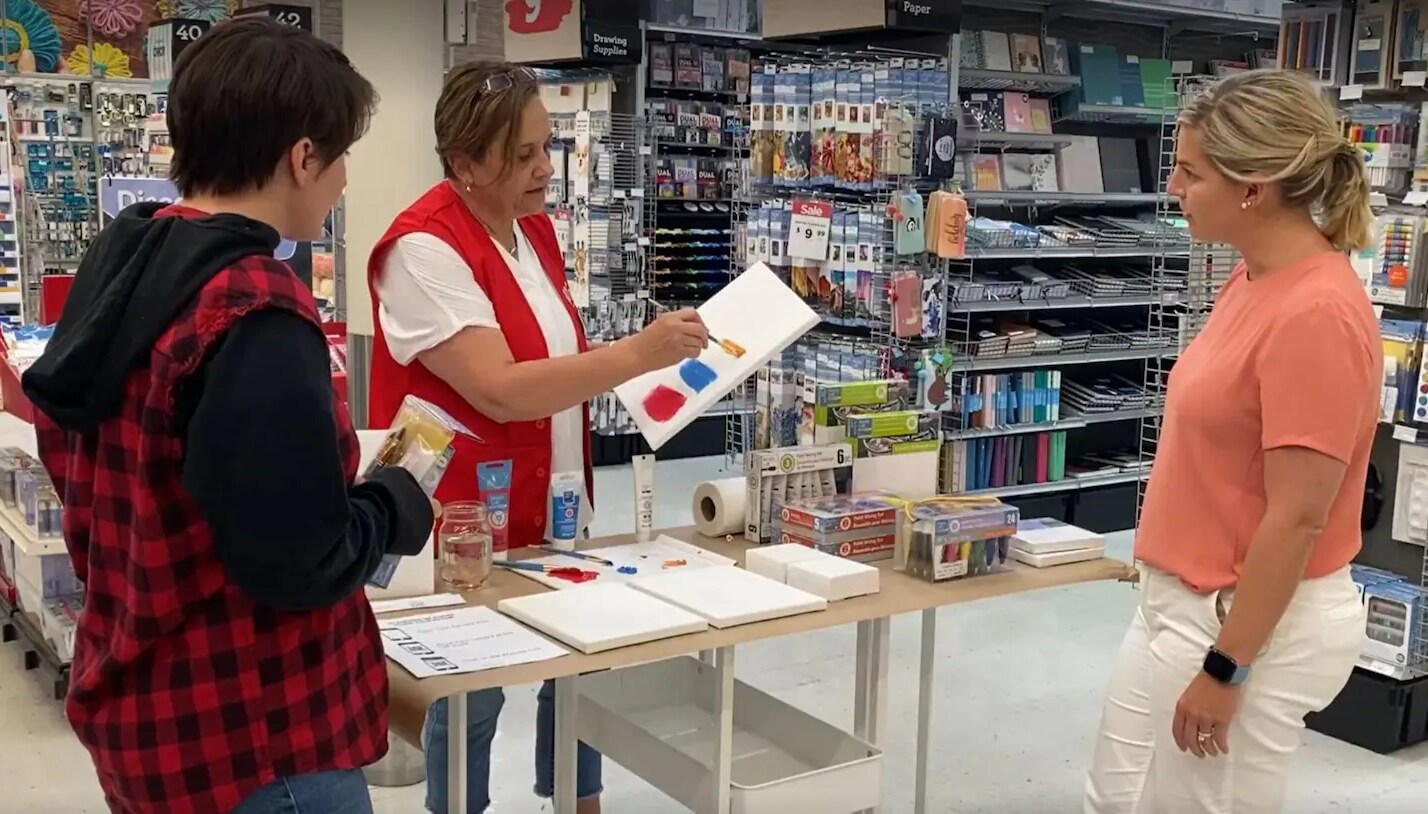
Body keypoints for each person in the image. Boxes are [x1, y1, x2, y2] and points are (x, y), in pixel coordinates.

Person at [20, 18, 436, 814]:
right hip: (256, 738)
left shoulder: (127, 263)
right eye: (341, 155)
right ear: (301, 156)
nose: (345, 179)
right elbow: (298, 560)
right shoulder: (253, 311)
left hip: (147, 710)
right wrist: (393, 505)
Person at [367, 61, 708, 813]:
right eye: (520, 155)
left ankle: (577, 801)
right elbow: (500, 388)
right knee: (472, 699)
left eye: (545, 148)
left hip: (552, 502)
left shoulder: (534, 234)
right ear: (463, 162)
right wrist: (638, 355)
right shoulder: (420, 249)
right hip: (465, 518)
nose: (542, 169)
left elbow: (558, 365)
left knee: (578, 665)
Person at [1083, 69, 1380, 814]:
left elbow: (1299, 516)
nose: (1175, 189)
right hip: (1174, 598)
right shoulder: (1251, 280)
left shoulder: (1317, 313)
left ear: (1253, 187)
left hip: (1242, 624)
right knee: (1114, 799)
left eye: (1190, 173)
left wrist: (1226, 669)